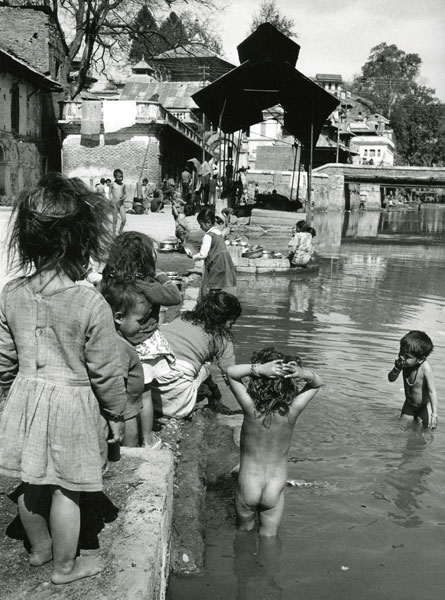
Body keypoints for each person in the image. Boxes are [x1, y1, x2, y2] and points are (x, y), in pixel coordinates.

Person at [0, 173, 126, 584]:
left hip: (25, 393)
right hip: (72, 402)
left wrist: (6, 398)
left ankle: (40, 549)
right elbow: (106, 370)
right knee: (66, 489)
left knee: (30, 482)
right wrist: (116, 414)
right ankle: (67, 566)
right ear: (81, 241)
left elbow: (3, 361)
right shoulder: (89, 301)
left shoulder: (12, 292)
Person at [226, 347, 322, 537]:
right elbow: (317, 384)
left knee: (243, 533)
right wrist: (302, 373)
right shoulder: (292, 412)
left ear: (257, 384)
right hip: (275, 487)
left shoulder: (250, 409)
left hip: (248, 484)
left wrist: (258, 369)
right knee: (269, 537)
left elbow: (231, 373)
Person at [101, 231, 181, 447]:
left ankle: (118, 442)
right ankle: (146, 440)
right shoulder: (148, 284)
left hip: (116, 343)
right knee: (143, 395)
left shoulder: (110, 280)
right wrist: (162, 277)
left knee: (121, 395)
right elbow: (175, 297)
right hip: (144, 345)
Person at [151, 290, 242, 418]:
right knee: (205, 369)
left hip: (149, 387)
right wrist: (248, 406)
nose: (230, 328)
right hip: (176, 402)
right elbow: (231, 375)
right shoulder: (222, 337)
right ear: (222, 319)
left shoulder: (182, 318)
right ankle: (213, 402)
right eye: (230, 323)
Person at [101, 281, 162, 448]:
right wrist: (115, 416)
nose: (143, 327)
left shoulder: (122, 341)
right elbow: (117, 383)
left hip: (129, 409)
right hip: (124, 413)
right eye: (140, 321)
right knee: (129, 446)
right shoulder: (119, 348)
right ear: (119, 318)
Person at [388, 331, 438, 430]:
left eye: (407, 356)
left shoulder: (425, 368)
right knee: (402, 428)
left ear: (420, 359)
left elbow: (432, 391)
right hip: (409, 405)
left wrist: (434, 414)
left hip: (423, 406)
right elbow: (391, 379)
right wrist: (396, 368)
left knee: (424, 431)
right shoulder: (404, 364)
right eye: (400, 353)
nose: (402, 358)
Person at [192, 208, 237, 296]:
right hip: (224, 261)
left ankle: (212, 303)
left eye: (201, 225)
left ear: (208, 222)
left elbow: (203, 254)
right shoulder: (218, 232)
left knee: (213, 288)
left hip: (216, 263)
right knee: (219, 286)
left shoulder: (208, 236)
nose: (200, 227)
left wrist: (193, 256)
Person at [109, 168, 127, 234]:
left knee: (124, 220)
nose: (121, 178)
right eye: (119, 177)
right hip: (114, 204)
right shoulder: (112, 184)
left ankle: (120, 231)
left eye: (122, 177)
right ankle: (113, 233)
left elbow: (125, 193)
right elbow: (109, 193)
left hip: (121, 204)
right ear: (115, 177)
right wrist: (111, 200)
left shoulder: (123, 185)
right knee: (115, 220)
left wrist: (124, 197)